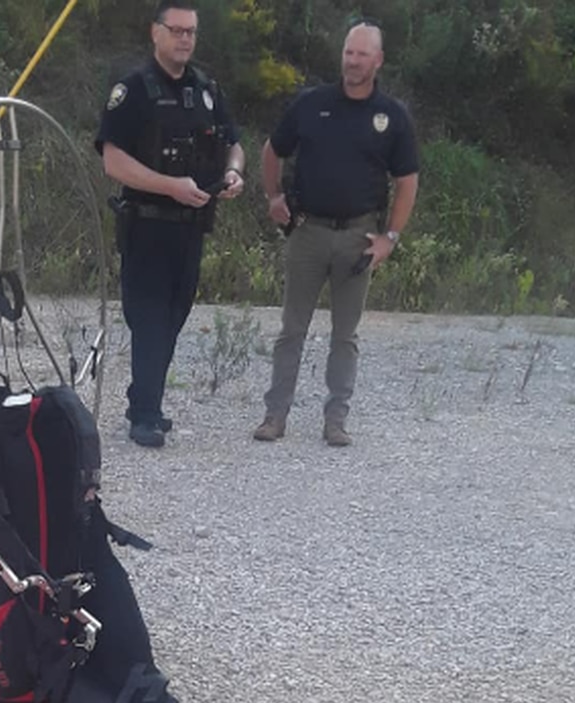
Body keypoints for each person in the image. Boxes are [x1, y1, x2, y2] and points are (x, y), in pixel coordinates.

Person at [253, 20, 419, 447]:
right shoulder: (312, 104)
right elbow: (273, 149)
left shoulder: (392, 117)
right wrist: (274, 197)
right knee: (292, 329)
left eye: (362, 54)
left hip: (358, 237)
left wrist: (390, 239)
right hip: (308, 231)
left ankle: (336, 420)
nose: (353, 61)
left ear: (378, 60)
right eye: (349, 52)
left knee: (345, 335)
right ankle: (275, 415)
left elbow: (407, 181)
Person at [96, 0, 246, 449]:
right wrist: (168, 185)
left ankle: (146, 402)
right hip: (147, 224)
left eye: (191, 32)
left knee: (174, 316)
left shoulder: (205, 88)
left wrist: (235, 172)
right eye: (176, 30)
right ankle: (144, 414)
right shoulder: (134, 89)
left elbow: (234, 143)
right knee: (148, 319)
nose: (185, 39)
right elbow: (113, 161)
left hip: (191, 225)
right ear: (155, 33)